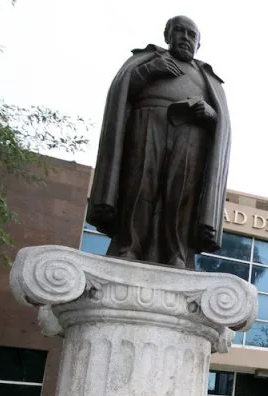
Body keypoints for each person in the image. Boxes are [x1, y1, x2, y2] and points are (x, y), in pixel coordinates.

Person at [87, 15, 231, 268]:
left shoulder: (207, 77)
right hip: (147, 122)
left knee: (181, 194)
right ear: (167, 36)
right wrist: (149, 71)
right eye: (180, 32)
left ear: (198, 44)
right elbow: (122, 91)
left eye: (191, 35)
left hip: (190, 134)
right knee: (140, 185)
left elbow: (222, 121)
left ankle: (176, 254)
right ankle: (129, 247)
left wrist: (209, 114)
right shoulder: (147, 59)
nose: (185, 38)